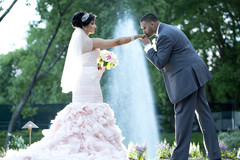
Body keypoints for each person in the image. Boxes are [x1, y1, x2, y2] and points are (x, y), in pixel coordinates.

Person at [2, 11, 144, 160]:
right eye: (92, 23)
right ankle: (91, 149)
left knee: (80, 113)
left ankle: (84, 148)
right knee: (94, 111)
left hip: (81, 81)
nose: (94, 26)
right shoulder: (90, 42)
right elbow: (117, 42)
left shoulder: (79, 40)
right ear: (84, 25)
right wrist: (136, 37)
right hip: (90, 82)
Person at [140, 13, 221, 160]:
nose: (144, 31)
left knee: (182, 117)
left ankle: (179, 157)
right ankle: (215, 155)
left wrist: (147, 47)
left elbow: (160, 62)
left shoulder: (164, 35)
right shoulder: (169, 30)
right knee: (205, 117)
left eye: (144, 27)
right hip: (196, 74)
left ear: (152, 24)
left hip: (186, 79)